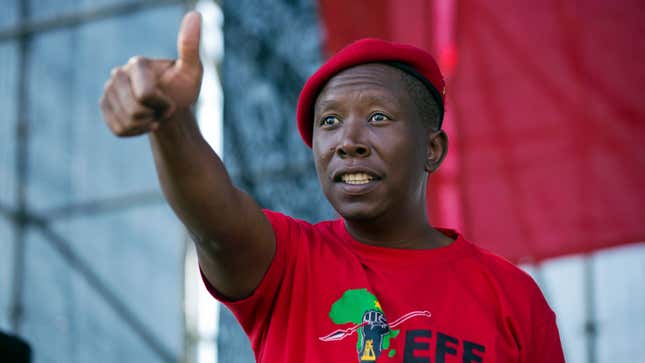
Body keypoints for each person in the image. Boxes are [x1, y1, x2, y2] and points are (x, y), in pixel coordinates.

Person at [100, 11, 564, 363]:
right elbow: (214, 221)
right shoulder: (287, 261)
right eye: (330, 122)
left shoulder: (512, 296)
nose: (349, 141)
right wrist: (171, 123)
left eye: (378, 117)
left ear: (433, 149)